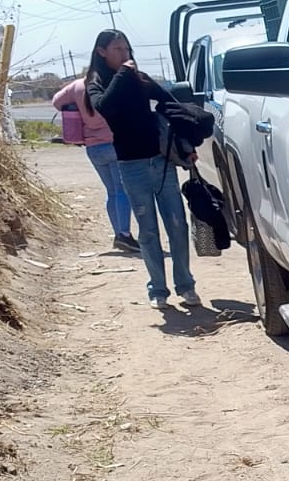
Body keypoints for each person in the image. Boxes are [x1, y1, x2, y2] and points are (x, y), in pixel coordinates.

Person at [82, 29, 201, 309]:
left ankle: (186, 285)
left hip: (160, 162)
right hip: (130, 166)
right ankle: (158, 290)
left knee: (177, 225)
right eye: (118, 50)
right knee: (147, 231)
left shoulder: (137, 77)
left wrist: (184, 143)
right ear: (102, 52)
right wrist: (124, 74)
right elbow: (106, 107)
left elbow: (169, 101)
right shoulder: (96, 82)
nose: (125, 55)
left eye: (127, 50)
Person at [51, 75, 138, 254]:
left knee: (112, 192)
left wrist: (76, 107)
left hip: (93, 147)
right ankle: (124, 234)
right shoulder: (108, 84)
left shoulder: (77, 86)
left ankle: (118, 234)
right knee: (122, 190)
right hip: (114, 143)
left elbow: (57, 102)